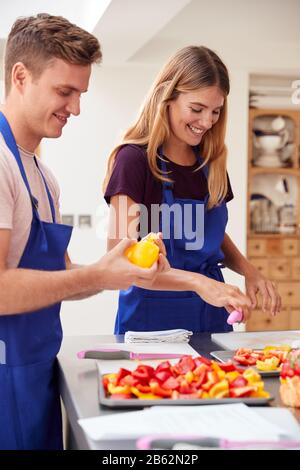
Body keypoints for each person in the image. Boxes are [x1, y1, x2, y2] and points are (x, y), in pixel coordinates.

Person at [0, 14, 168, 450]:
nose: (75, 108)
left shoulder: (43, 175)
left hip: (35, 368)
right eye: (65, 91)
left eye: (80, 94)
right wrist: (98, 277)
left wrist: (119, 270)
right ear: (21, 76)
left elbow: (59, 276)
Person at [103, 45, 281, 335]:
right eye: (197, 109)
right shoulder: (134, 161)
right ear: (167, 98)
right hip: (151, 323)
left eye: (215, 112)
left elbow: (208, 233)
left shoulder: (211, 163)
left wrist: (250, 271)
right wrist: (199, 283)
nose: (206, 122)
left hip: (211, 317)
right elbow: (118, 261)